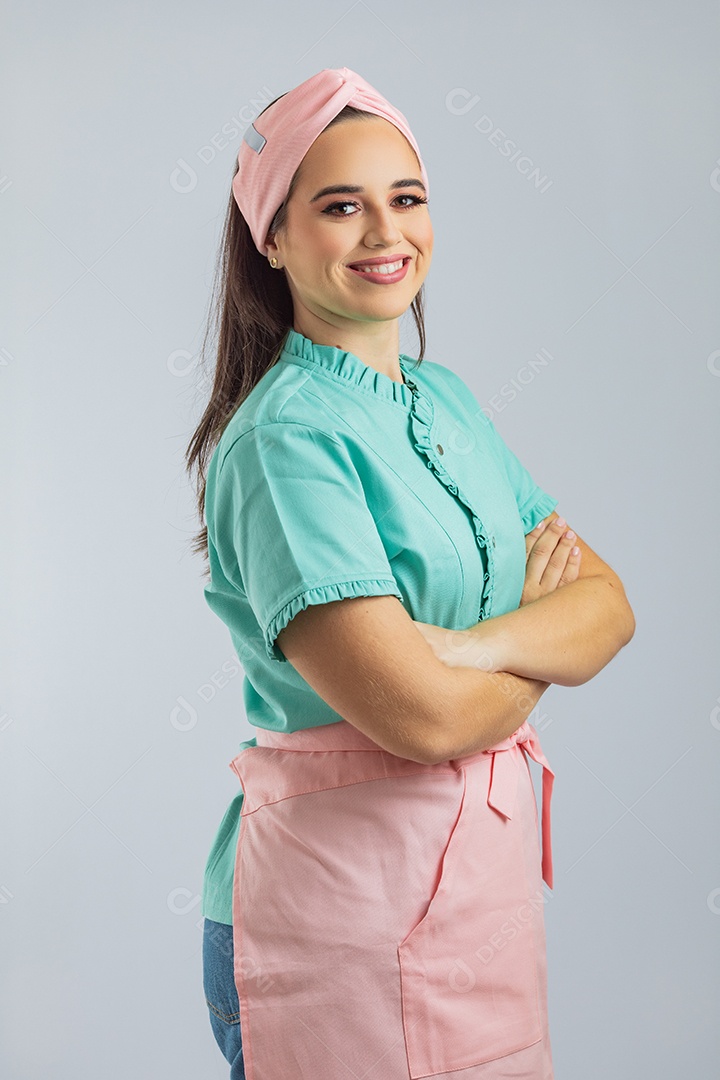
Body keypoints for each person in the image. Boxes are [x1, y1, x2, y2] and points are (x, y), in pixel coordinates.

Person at [185, 66, 635, 1080]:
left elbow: (609, 609)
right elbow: (419, 720)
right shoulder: (283, 445)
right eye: (340, 206)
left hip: (474, 901)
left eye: (407, 198)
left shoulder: (450, 400)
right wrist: (533, 639)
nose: (386, 233)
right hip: (335, 918)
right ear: (272, 237)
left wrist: (471, 647)